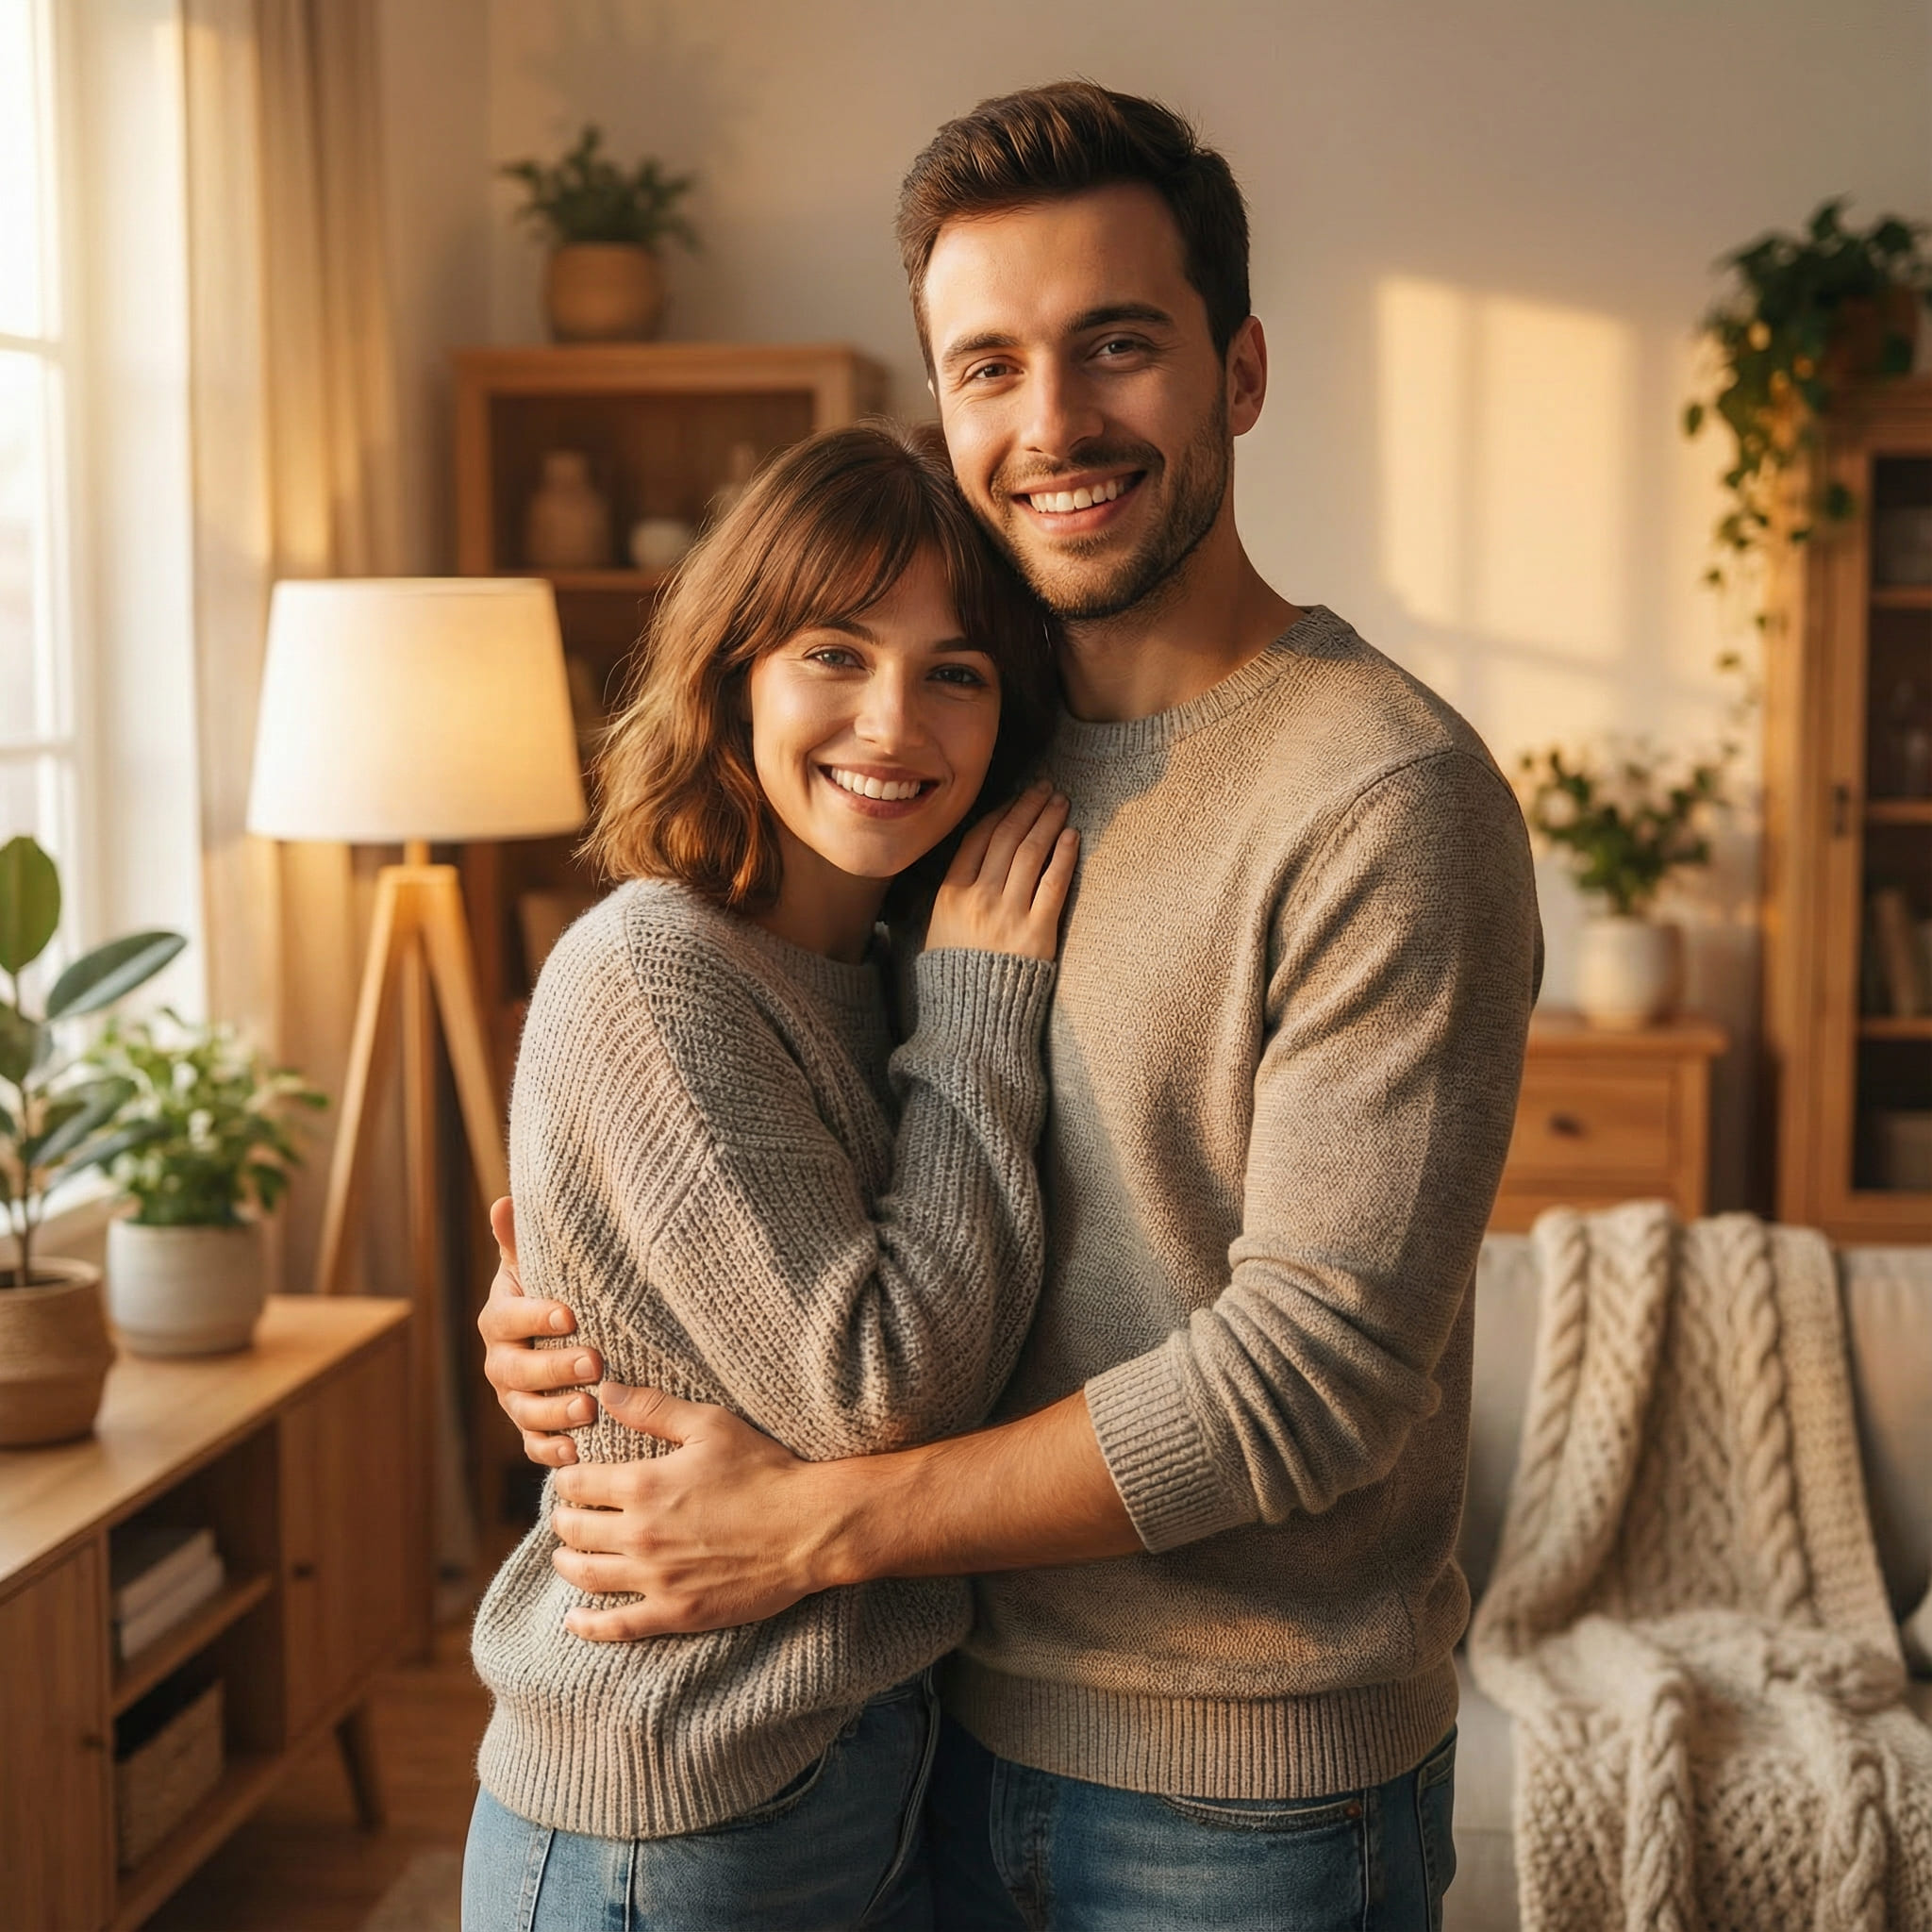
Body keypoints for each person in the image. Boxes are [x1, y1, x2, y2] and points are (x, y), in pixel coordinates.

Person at [479, 83, 1542, 1930]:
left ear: (1240, 370)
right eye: (988, 365)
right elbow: (816, 1139)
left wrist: (825, 1517)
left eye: (1116, 346)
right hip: (918, 1738)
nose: (1050, 423)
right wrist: (582, 1317)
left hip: (1243, 1796)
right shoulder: (965, 746)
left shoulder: (1383, 795)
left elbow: (1311, 1380)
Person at [460, 420, 1076, 1932]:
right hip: (680, 1801)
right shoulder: (658, 969)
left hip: (856, 1756)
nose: (892, 724)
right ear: (737, 668)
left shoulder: (861, 965)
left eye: (956, 672)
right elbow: (882, 1389)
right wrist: (988, 1011)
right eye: (835, 653)